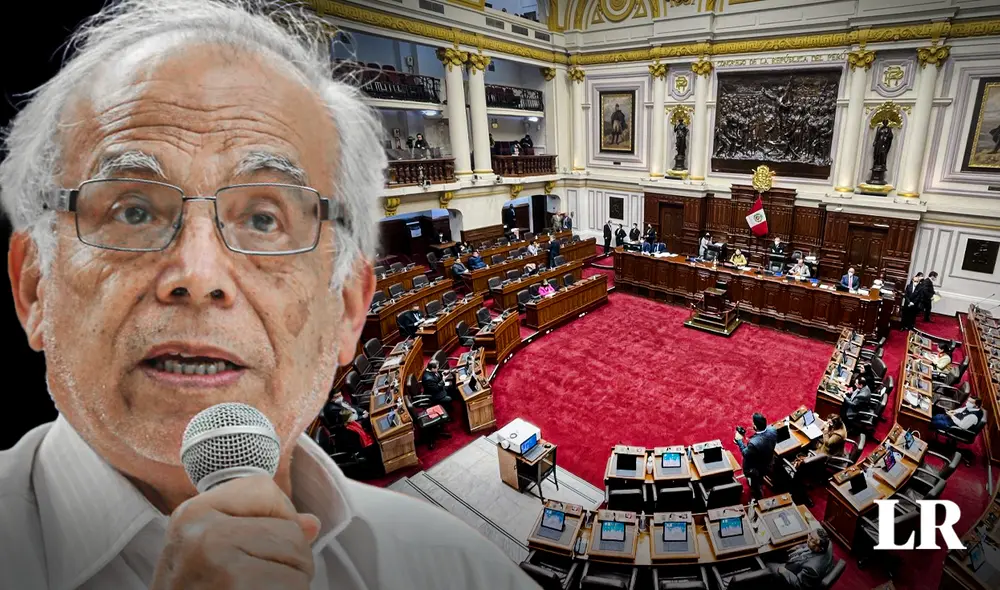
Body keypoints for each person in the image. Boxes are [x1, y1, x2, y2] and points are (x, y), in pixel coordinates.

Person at [0, 2, 537, 589]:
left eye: (263, 219)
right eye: (132, 211)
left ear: (349, 310)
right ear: (34, 289)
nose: (200, 274)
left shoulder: (461, 571)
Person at [766, 529, 835, 589]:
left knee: (769, 564)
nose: (808, 540)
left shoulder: (812, 569)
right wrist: (801, 547)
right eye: (809, 535)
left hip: (791, 571)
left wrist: (784, 572)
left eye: (812, 540)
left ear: (820, 549)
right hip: (800, 559)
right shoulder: (828, 543)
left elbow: (799, 585)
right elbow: (811, 545)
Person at [735, 413, 778, 499]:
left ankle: (757, 494)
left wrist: (739, 440)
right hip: (768, 462)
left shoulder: (754, 443)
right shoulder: (773, 430)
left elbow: (745, 453)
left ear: (754, 426)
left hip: (755, 469)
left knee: (755, 483)